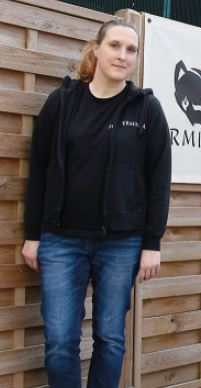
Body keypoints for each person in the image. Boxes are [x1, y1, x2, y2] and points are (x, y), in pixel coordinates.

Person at [21, 20, 171, 386]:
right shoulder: (63, 103)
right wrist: (33, 234)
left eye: (130, 49)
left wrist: (152, 243)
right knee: (59, 341)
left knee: (110, 337)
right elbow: (38, 170)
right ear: (97, 48)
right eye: (115, 46)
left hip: (121, 243)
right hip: (60, 240)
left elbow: (158, 180)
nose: (122, 55)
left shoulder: (147, 110)